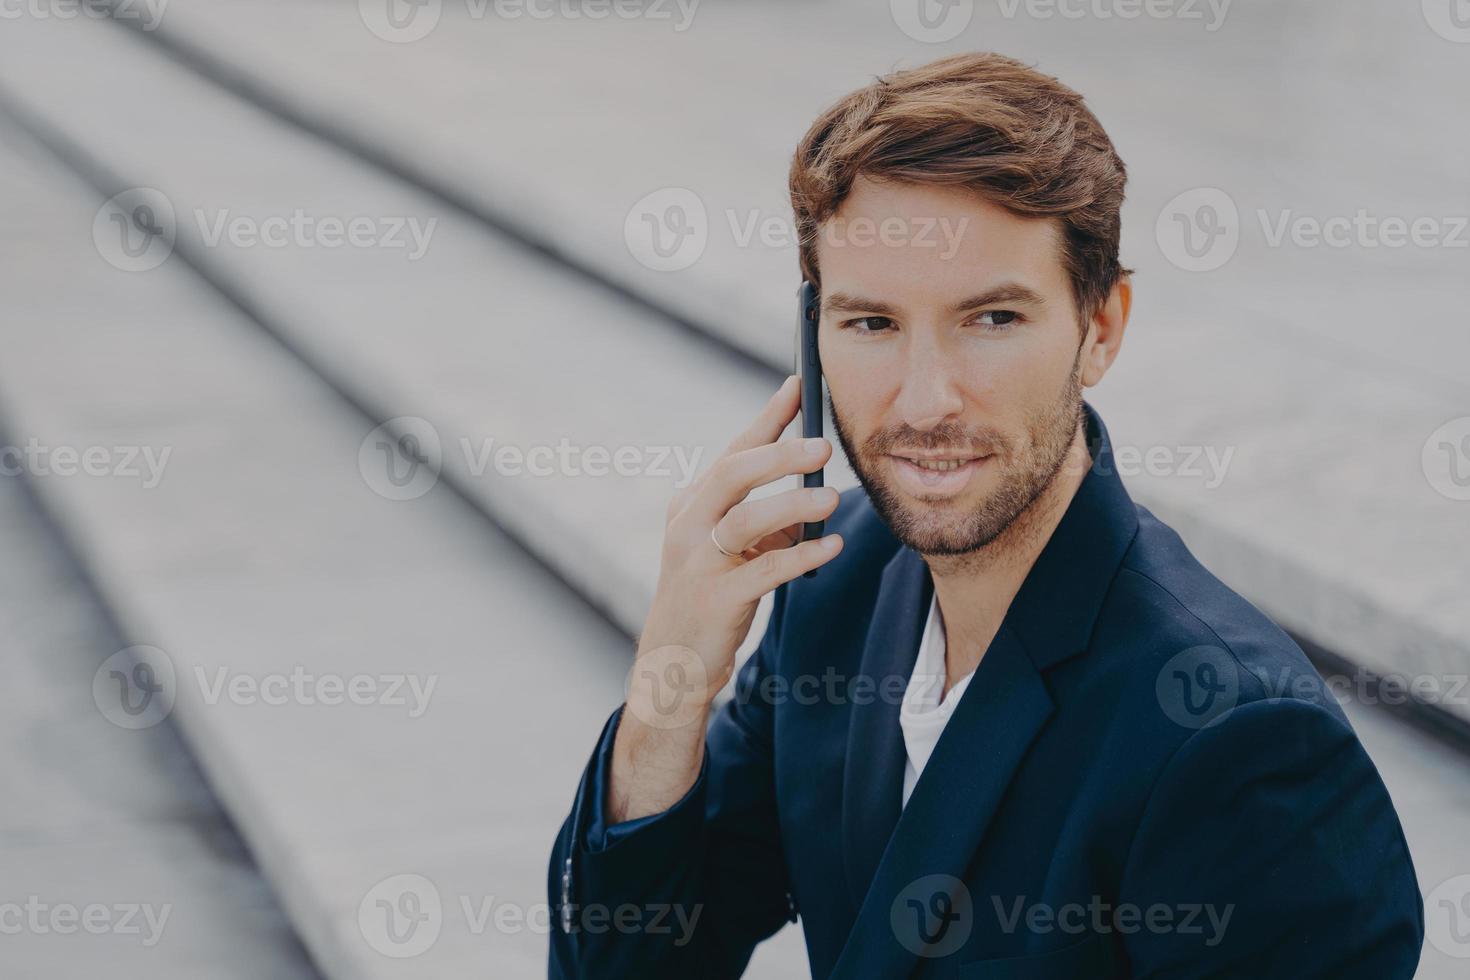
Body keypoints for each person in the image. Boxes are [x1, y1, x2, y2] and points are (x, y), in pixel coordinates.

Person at [547, 52, 1424, 978]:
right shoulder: (832, 586)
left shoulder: (1241, 743)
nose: (925, 401)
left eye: (993, 319)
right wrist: (666, 693)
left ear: (1102, 329)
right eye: (871, 324)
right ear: (813, 335)